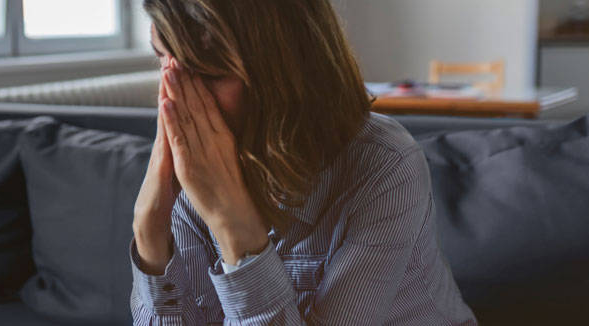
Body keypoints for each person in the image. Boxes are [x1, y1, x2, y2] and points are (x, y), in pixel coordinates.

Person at [129, 0, 477, 324]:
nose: (176, 95)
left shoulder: (385, 165)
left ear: (285, 71)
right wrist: (149, 231)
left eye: (210, 73)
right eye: (163, 60)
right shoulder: (190, 166)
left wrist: (232, 226)